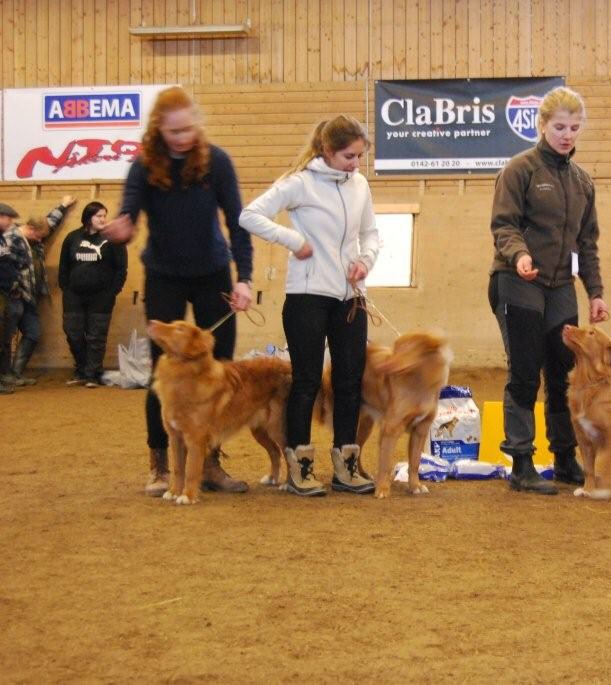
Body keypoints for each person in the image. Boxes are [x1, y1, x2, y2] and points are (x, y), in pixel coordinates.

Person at [102, 86, 254, 497]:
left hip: (213, 273)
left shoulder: (217, 161)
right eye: (174, 132)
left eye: (188, 129)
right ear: (158, 129)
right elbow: (129, 212)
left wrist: (244, 278)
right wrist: (122, 228)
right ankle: (161, 465)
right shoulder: (143, 165)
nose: (183, 137)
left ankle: (210, 463)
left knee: (219, 370)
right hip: (164, 274)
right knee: (163, 372)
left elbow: (237, 223)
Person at [239, 115, 379, 497]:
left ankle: (346, 466)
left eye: (360, 157)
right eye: (349, 156)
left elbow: (371, 234)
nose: (355, 164)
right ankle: (299, 468)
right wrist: (293, 241)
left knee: (350, 382)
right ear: (327, 151)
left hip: (351, 297)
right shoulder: (299, 182)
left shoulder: (360, 185)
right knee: (307, 381)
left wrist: (365, 260)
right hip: (307, 296)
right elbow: (250, 215)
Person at [488, 86, 609, 495]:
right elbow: (504, 225)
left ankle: (564, 457)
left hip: (560, 287)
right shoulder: (519, 170)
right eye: (559, 127)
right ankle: (521, 462)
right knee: (524, 371)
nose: (567, 135)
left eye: (574, 128)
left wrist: (595, 292)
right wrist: (519, 255)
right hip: (516, 280)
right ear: (541, 125)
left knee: (562, 373)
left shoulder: (582, 182)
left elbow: (587, 243)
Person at [0, 197, 75, 387]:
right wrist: (12, 288)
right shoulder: (11, 239)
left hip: (28, 297)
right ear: (31, 229)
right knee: (5, 337)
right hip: (13, 297)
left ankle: (15, 373)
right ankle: (5, 375)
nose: (41, 240)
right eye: (39, 236)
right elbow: (6, 266)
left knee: (33, 332)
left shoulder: (32, 238)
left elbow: (49, 222)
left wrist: (63, 206)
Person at [57, 202, 128, 387]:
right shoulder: (72, 238)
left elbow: (121, 269)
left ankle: (92, 374)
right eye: (99, 216)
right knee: (73, 332)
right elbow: (64, 265)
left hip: (101, 297)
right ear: (88, 217)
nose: (103, 219)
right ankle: (81, 370)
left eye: (104, 215)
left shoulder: (112, 239)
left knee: (96, 336)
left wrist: (113, 291)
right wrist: (66, 287)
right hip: (74, 295)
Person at [0, 202, 27, 395]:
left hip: (4, 292)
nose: (10, 222)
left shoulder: (3, 239)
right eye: (7, 218)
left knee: (3, 337)